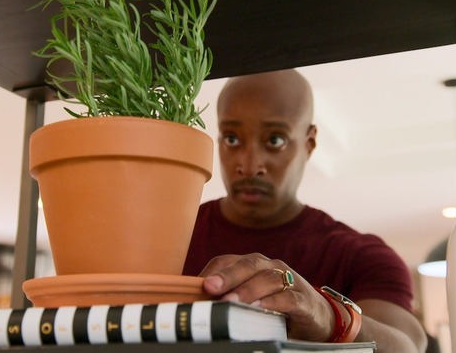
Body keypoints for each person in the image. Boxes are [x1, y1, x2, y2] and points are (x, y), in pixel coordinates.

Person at [182, 69, 428, 353]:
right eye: (232, 139)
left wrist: (329, 317)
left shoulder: (360, 254)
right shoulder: (170, 236)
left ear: (309, 143)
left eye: (275, 140)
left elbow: (408, 346)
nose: (249, 166)